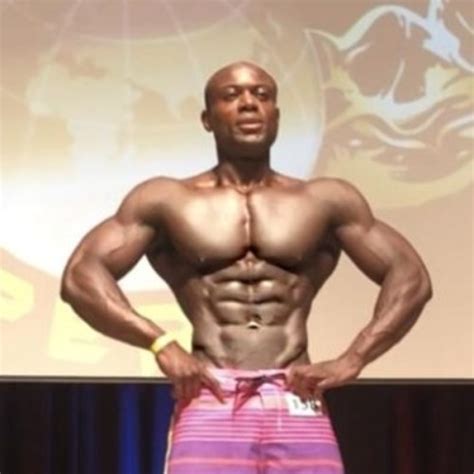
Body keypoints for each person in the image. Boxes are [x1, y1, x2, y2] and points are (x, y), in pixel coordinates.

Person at [61, 61, 432, 473]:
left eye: (262, 94)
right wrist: (159, 343)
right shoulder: (166, 200)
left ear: (276, 115)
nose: (249, 103)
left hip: (296, 393)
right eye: (231, 95)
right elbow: (81, 275)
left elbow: (410, 277)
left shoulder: (326, 200)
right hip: (210, 394)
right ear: (207, 118)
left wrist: (355, 357)